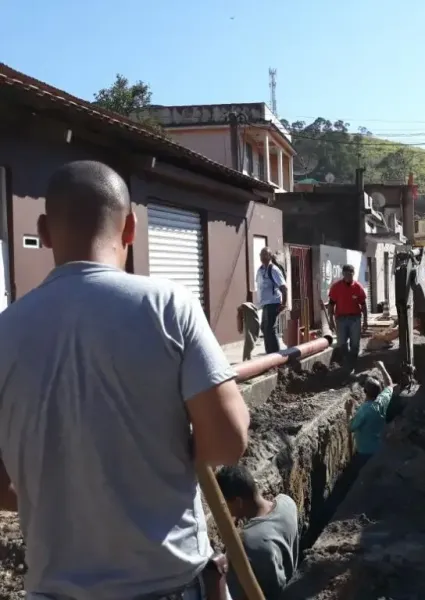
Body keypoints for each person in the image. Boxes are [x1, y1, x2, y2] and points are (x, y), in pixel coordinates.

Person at [0, 160, 250, 599]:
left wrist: (65, 494)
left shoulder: (5, 331)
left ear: (43, 229)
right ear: (131, 228)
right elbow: (228, 441)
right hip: (168, 586)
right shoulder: (168, 306)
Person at [215, 466, 300, 600]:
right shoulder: (287, 503)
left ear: (238, 502)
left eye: (225, 503)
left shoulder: (246, 542)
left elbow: (233, 593)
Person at [349, 362, 394, 467]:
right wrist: (382, 368)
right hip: (380, 450)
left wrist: (349, 411)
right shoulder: (383, 400)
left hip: (365, 454)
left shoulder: (364, 410)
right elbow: (390, 384)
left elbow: (350, 427)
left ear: (365, 391)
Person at [327, 264, 368, 370]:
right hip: (341, 319)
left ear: (353, 274)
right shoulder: (336, 287)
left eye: (351, 274)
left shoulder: (358, 287)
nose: (349, 276)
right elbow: (331, 304)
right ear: (343, 274)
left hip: (355, 319)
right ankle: (346, 364)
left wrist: (365, 321)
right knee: (342, 343)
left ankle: (353, 364)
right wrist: (331, 320)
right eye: (346, 274)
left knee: (355, 343)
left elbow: (363, 305)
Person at [255, 247, 288, 354]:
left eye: (265, 255)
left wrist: (284, 304)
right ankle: (269, 353)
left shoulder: (273, 270)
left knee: (270, 328)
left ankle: (276, 355)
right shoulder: (260, 270)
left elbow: (284, 288)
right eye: (261, 255)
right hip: (265, 304)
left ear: (269, 256)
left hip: (273, 303)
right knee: (264, 328)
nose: (262, 257)